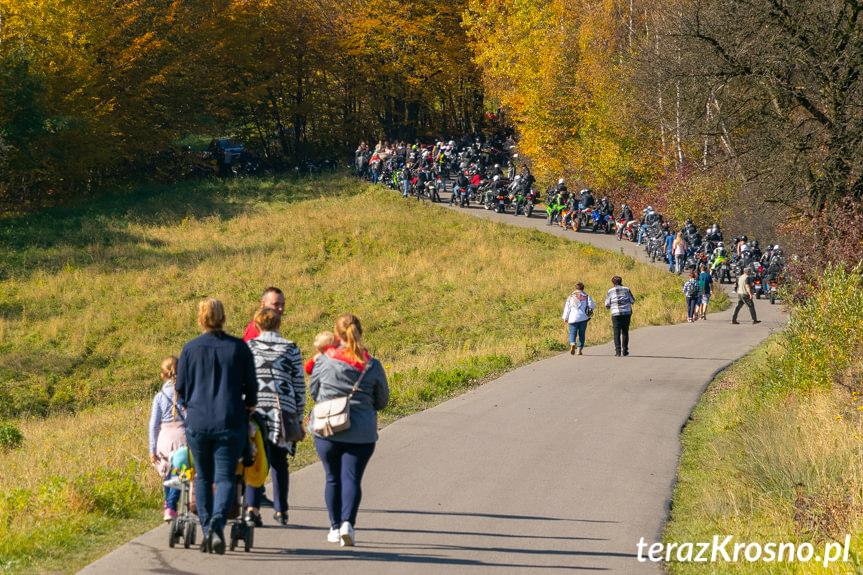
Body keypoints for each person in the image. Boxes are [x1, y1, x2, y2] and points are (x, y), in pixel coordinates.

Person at [176, 298, 257, 554]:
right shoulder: (239, 348)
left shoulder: (190, 349)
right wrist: (249, 404)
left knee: (202, 476)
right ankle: (217, 524)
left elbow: (180, 388)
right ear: (223, 317)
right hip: (229, 420)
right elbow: (252, 387)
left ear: (200, 318)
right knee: (225, 477)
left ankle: (206, 526)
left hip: (199, 422)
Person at [309, 313, 389, 547]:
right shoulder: (372, 365)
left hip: (327, 428)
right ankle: (348, 524)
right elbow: (382, 401)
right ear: (360, 333)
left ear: (336, 335)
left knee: (332, 477)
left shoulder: (324, 360)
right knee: (352, 478)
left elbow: (314, 392)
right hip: (361, 431)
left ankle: (334, 527)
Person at [245, 308, 306, 527]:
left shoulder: (249, 347)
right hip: (283, 411)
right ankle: (281, 510)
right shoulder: (291, 348)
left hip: (256, 410)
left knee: (254, 458)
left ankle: (252, 508)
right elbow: (299, 384)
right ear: (278, 324)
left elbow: (243, 379)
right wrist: (299, 417)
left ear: (258, 326)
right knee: (280, 462)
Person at [148, 355, 185, 522]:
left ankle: (168, 505)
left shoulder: (159, 397)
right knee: (179, 472)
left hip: (163, 438)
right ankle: (171, 505)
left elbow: (153, 425)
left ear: (163, 375)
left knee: (166, 472)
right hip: (182, 437)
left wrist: (152, 449)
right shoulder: (186, 393)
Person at [605, 276, 636, 357]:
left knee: (616, 332)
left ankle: (618, 351)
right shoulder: (626, 289)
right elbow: (632, 300)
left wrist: (609, 306)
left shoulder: (610, 291)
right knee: (625, 331)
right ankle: (625, 350)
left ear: (613, 283)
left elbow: (607, 304)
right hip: (626, 312)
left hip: (616, 313)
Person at [562, 282, 596, 356]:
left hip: (572, 318)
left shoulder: (570, 297)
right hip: (583, 318)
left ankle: (572, 343)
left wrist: (565, 318)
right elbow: (592, 306)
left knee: (572, 333)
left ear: (575, 288)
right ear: (583, 288)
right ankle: (579, 349)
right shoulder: (586, 296)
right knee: (581, 334)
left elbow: (567, 309)